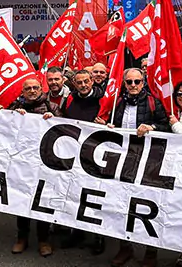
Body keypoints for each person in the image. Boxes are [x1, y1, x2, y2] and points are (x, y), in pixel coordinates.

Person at [104, 68, 169, 267]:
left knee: (148, 205)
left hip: (148, 162)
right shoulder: (118, 103)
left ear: (143, 83)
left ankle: (151, 251)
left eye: (137, 82)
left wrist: (153, 128)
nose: (133, 85)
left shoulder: (153, 102)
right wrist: (109, 126)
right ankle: (125, 247)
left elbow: (166, 125)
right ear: (124, 83)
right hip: (123, 161)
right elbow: (112, 125)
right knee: (121, 204)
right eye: (129, 82)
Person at [1, 78, 55, 258]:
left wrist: (54, 120)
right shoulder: (15, 106)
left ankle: (43, 240)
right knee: (22, 200)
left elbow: (67, 131)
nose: (32, 91)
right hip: (21, 163)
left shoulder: (52, 107)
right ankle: (22, 238)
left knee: (42, 201)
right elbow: (1, 126)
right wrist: (9, 114)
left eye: (35, 88)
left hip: (44, 163)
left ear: (41, 89)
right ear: (22, 91)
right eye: (28, 88)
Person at [55, 70, 105, 255]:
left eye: (86, 81)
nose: (83, 85)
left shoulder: (104, 99)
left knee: (95, 195)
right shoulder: (70, 100)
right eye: (79, 83)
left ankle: (99, 237)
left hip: (96, 154)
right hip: (74, 153)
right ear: (74, 84)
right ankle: (76, 231)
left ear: (92, 81)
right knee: (75, 193)